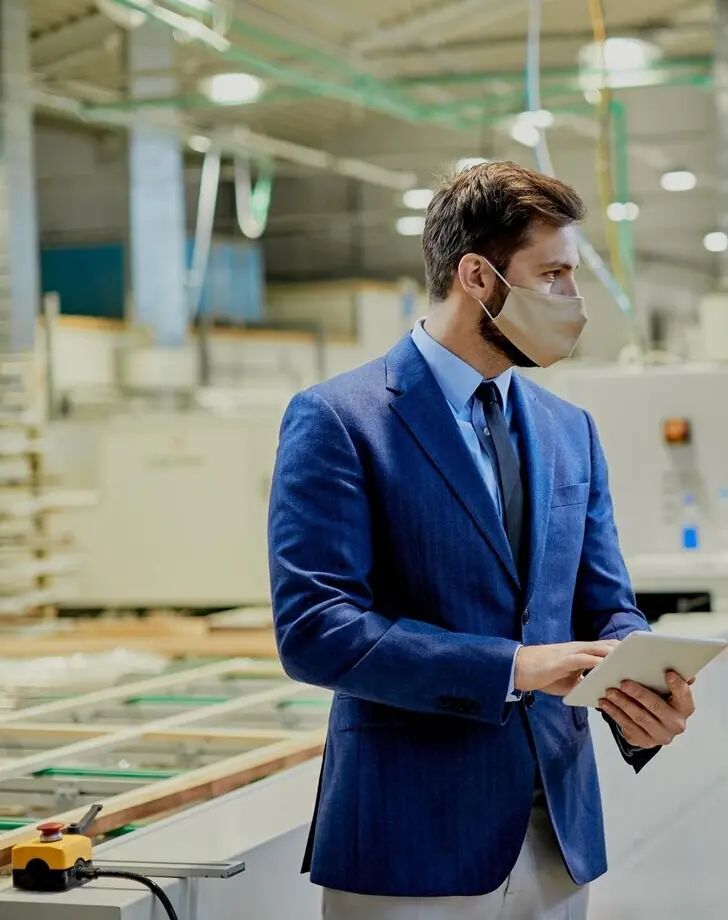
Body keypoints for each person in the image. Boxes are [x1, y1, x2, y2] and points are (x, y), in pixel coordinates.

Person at [268, 161, 695, 920]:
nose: (572, 300)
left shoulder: (570, 432)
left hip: (557, 833)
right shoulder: (341, 419)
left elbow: (604, 602)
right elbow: (317, 631)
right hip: (410, 842)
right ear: (477, 276)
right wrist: (515, 667)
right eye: (554, 274)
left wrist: (639, 680)